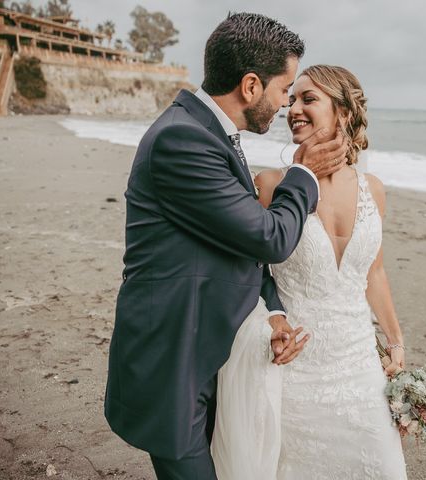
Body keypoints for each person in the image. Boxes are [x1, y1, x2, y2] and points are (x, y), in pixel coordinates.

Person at [103, 14, 348, 480]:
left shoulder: (208, 132)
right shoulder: (182, 138)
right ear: (251, 86)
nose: (284, 104)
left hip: (214, 351)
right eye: (284, 88)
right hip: (175, 358)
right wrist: (304, 174)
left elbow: (234, 245)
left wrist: (273, 311)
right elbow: (268, 237)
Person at [212, 65, 407, 479]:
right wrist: (271, 323)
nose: (291, 108)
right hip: (295, 366)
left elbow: (375, 274)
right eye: (292, 98)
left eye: (308, 99)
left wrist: (396, 342)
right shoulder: (269, 184)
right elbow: (248, 271)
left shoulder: (373, 189)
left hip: (360, 370)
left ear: (343, 112)